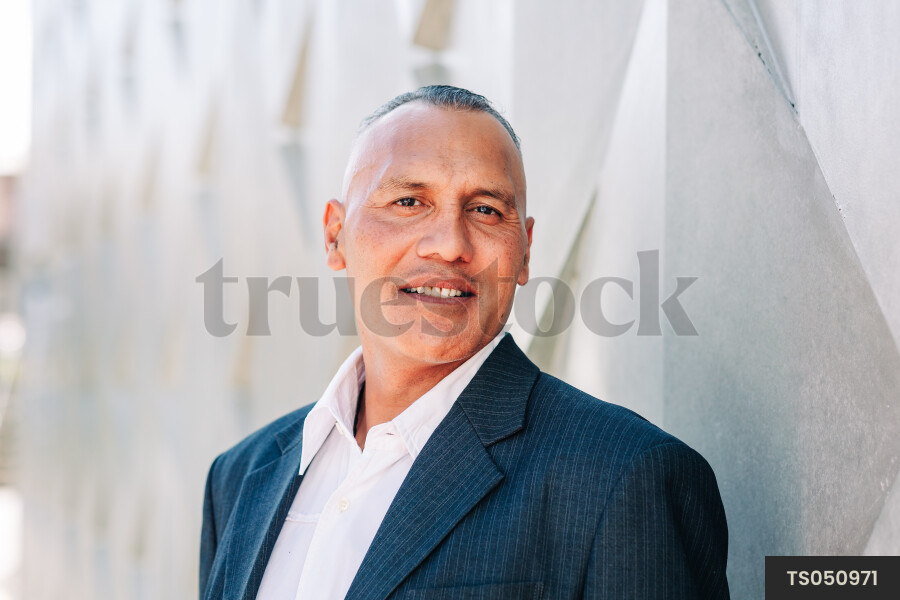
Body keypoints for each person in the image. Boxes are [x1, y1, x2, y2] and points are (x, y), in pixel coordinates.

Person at [198, 85, 730, 600]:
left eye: (486, 210)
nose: (450, 244)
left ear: (524, 252)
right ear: (335, 234)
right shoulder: (241, 478)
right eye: (409, 201)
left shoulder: (624, 478)